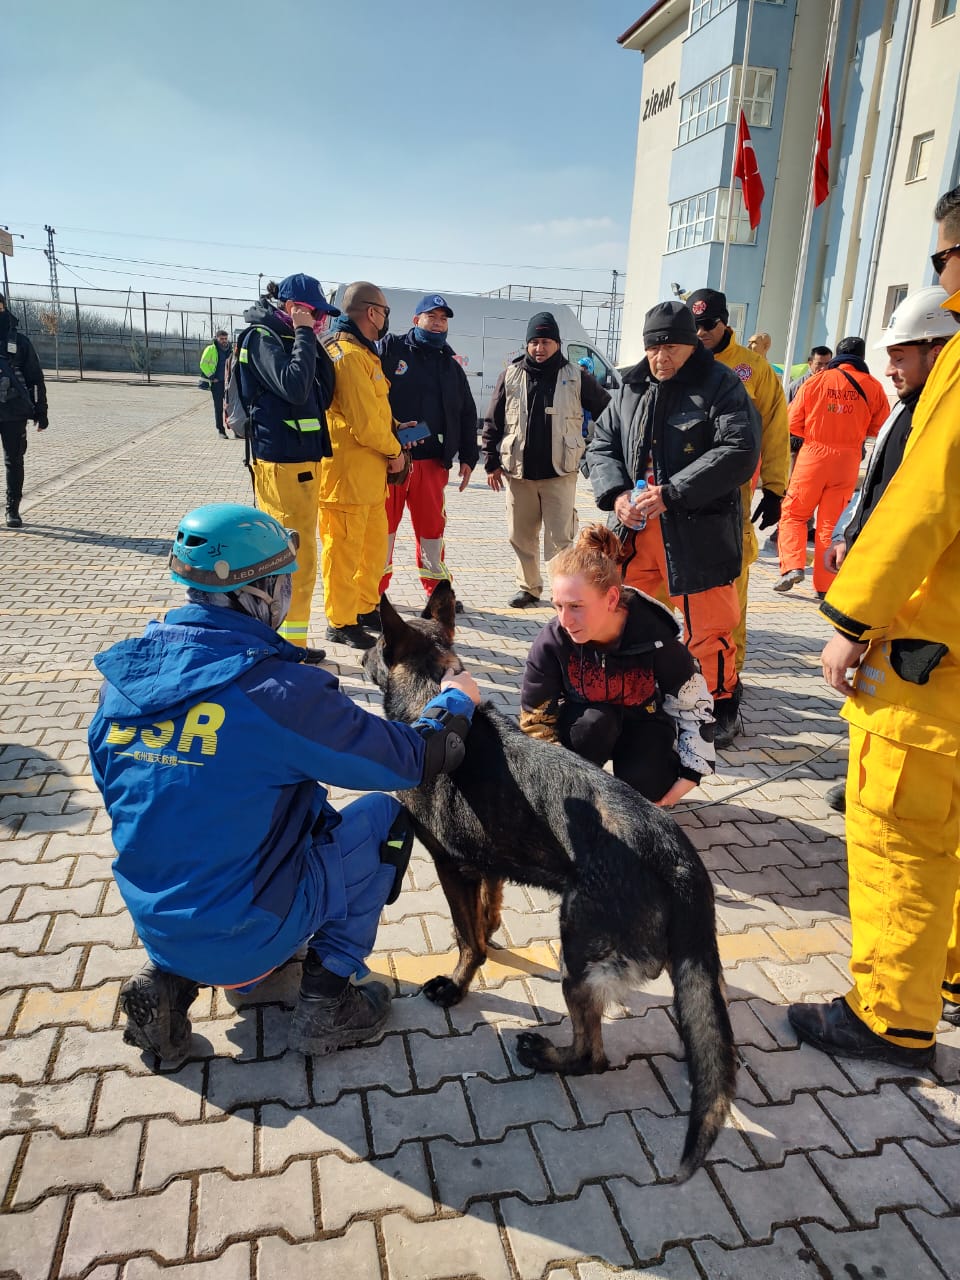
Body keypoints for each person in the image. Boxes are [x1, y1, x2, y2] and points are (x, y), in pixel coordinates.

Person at [89, 502, 480, 1066]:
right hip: (245, 928)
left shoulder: (122, 680)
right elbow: (414, 759)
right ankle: (326, 1001)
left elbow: (123, 795)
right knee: (386, 817)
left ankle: (167, 981)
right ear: (260, 592)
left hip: (156, 918)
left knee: (187, 816)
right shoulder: (278, 692)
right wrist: (454, 701)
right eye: (285, 582)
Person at [788, 185, 960, 1068]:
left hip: (935, 665)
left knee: (901, 836)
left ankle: (892, 1014)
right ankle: (948, 972)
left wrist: (849, 620)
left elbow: (923, 507)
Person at [587, 301, 760, 749]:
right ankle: (639, 692)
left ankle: (722, 704)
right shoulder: (629, 386)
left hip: (696, 532)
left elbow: (739, 449)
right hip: (634, 531)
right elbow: (601, 445)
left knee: (709, 627)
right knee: (626, 615)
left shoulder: (720, 384)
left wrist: (672, 492)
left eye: (672, 348)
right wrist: (617, 495)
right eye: (653, 348)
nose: (661, 357)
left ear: (691, 345)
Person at [822, 288, 957, 814]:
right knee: (869, 688)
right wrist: (844, 536)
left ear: (937, 351)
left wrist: (852, 623)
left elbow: (918, 514)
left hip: (906, 599)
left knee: (886, 689)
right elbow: (875, 488)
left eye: (900, 357)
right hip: (874, 577)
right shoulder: (906, 411)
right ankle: (859, 768)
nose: (890, 369)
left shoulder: (937, 420)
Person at [520, 524, 714, 805]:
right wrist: (555, 791)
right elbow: (536, 723)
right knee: (594, 724)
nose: (565, 620)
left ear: (611, 599)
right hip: (586, 725)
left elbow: (696, 710)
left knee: (647, 786)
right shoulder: (552, 641)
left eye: (576, 606)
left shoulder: (657, 638)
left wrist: (688, 778)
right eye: (557, 606)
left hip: (645, 723)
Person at [685, 289, 790, 677]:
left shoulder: (752, 369)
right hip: (681, 492)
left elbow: (776, 427)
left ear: (725, 321)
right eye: (694, 326)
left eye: (709, 325)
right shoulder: (681, 360)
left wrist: (776, 486)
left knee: (732, 584)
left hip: (731, 494)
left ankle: (730, 672)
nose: (701, 333)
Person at [481, 311, 610, 608]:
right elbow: (493, 421)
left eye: (546, 342)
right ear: (527, 345)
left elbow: (608, 414)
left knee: (560, 540)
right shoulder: (510, 376)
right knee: (520, 536)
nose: (540, 348)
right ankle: (528, 587)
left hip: (559, 474)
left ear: (558, 344)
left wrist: (599, 451)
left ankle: (561, 592)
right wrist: (490, 461)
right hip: (519, 474)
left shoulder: (576, 376)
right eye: (535, 342)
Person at [239, 274, 340, 652]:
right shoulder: (263, 338)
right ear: (292, 308)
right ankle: (279, 643)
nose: (319, 322)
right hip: (281, 463)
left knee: (302, 558)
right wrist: (302, 335)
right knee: (288, 557)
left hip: (304, 461)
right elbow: (294, 387)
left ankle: (291, 643)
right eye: (314, 314)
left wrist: (312, 339)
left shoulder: (296, 339)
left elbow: (325, 393)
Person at [319, 282, 407, 649]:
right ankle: (340, 621)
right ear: (372, 313)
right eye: (385, 311)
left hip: (368, 478)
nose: (386, 318)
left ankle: (365, 607)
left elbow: (375, 413)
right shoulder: (347, 355)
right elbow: (363, 422)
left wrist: (398, 430)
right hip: (347, 478)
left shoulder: (362, 353)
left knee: (371, 551)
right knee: (342, 552)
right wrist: (395, 451)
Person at [378, 293, 479, 611]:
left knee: (432, 532)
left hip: (432, 464)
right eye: (431, 317)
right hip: (390, 461)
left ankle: (437, 592)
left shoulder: (450, 365)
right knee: (383, 530)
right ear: (415, 320)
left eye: (443, 318)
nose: (437, 323)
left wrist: (468, 457)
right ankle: (374, 592)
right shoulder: (391, 349)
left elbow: (466, 413)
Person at [774, 336, 888, 597]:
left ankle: (792, 566)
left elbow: (792, 422)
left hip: (813, 455)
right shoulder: (873, 387)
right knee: (832, 523)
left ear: (838, 355)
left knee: (794, 513)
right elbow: (879, 428)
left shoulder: (816, 381)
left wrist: (817, 432)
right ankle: (825, 586)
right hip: (847, 460)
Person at [0, 292, 48, 530]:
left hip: (13, 411)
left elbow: (35, 379)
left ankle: (12, 509)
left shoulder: (19, 342)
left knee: (14, 460)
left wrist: (41, 411)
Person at [199, 329, 231, 437]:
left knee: (231, 407)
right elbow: (203, 364)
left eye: (225, 339)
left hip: (229, 384)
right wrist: (212, 377)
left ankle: (236, 429)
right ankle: (221, 430)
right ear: (217, 338)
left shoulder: (230, 350)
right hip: (217, 383)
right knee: (218, 408)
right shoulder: (211, 349)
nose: (224, 341)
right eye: (221, 339)